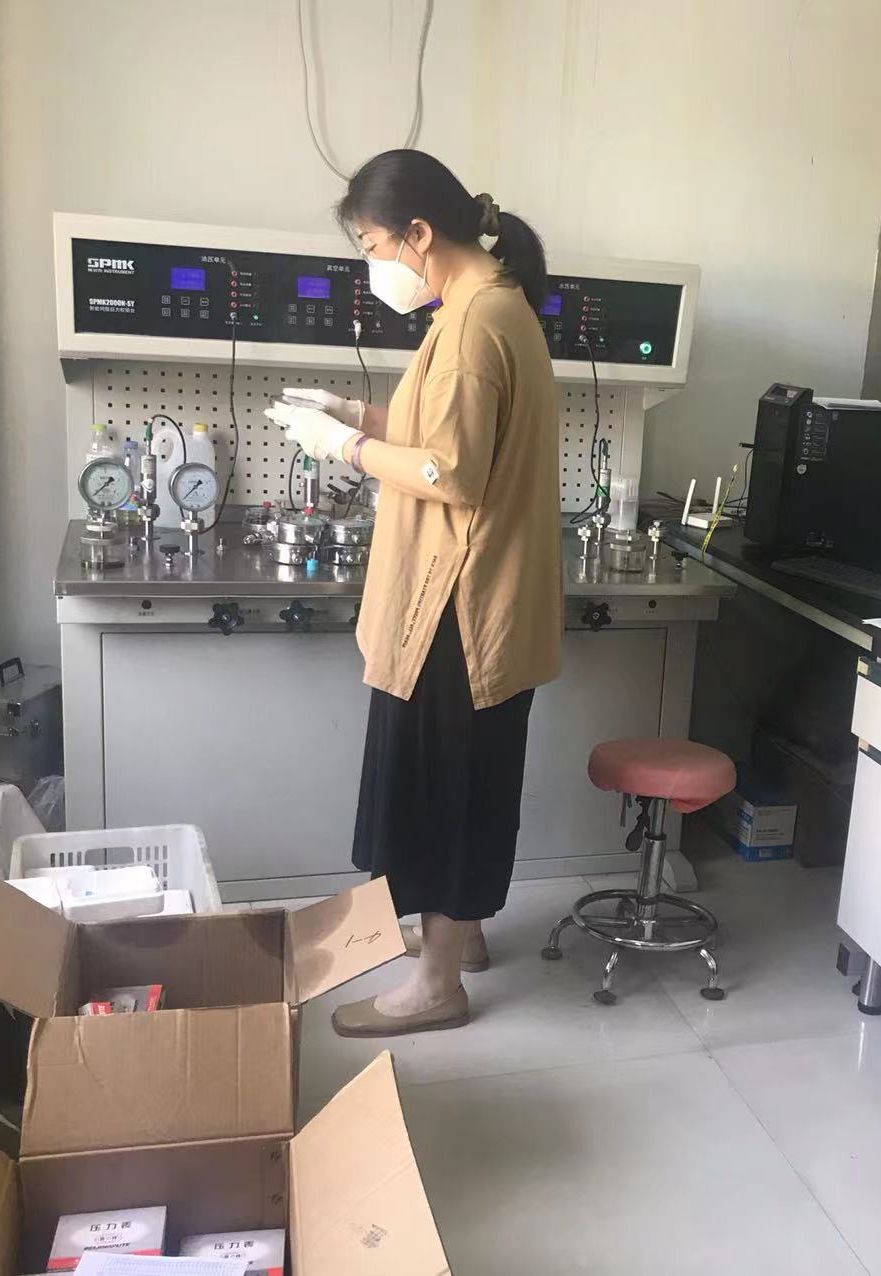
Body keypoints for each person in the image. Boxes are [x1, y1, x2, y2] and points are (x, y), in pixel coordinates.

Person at [264, 150, 562, 1036]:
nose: (373, 264)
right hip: (469, 600)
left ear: (419, 234)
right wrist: (353, 414)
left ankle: (436, 984)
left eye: (372, 245)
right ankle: (458, 937)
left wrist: (347, 452)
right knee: (463, 784)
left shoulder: (473, 324)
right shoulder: (481, 307)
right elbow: (442, 431)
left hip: (458, 611)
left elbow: (450, 471)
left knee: (443, 792)